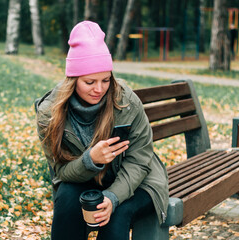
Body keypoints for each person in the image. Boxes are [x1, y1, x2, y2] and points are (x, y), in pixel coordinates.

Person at [35, 21, 169, 240]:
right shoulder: (49, 113)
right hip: (84, 179)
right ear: (73, 79)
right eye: (90, 82)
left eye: (106, 80)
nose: (99, 89)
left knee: (116, 214)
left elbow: (139, 161)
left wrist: (112, 197)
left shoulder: (126, 101)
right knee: (67, 201)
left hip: (138, 180)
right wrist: (91, 160)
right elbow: (61, 171)